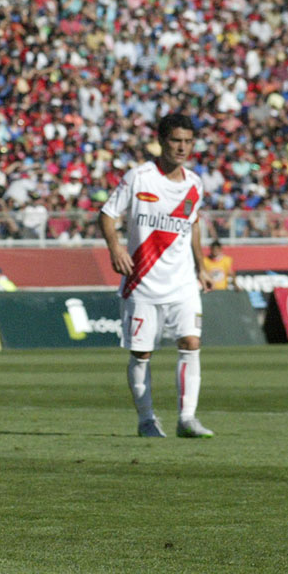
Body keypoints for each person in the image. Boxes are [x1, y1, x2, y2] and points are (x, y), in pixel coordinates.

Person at [99, 113, 214, 439]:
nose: (182, 147)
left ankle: (187, 418)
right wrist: (115, 248)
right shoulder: (140, 177)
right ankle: (147, 420)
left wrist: (201, 267)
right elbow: (107, 215)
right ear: (162, 141)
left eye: (188, 142)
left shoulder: (194, 183)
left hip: (182, 283)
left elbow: (191, 223)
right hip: (142, 282)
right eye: (176, 140)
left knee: (191, 343)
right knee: (141, 353)